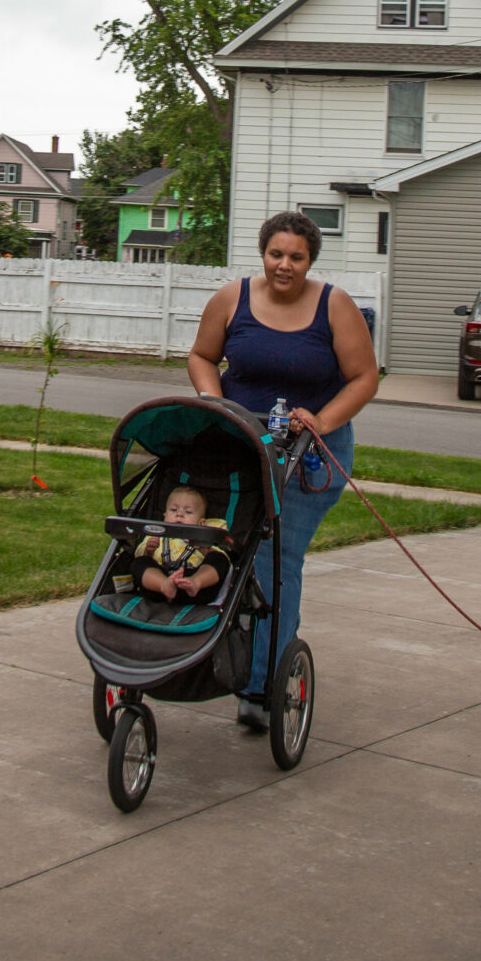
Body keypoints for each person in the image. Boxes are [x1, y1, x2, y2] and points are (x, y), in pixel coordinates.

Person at [186, 209, 380, 731]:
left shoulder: (334, 306)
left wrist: (322, 420)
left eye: (296, 256)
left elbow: (364, 377)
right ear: (263, 253)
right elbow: (203, 357)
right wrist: (214, 401)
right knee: (219, 549)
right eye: (276, 254)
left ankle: (261, 684)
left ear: (310, 259)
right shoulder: (233, 299)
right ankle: (205, 650)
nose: (284, 265)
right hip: (243, 444)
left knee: (275, 559)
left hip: (310, 456)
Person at [132, 484, 226, 602]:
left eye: (188, 512)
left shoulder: (204, 537)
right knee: (140, 562)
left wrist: (206, 550)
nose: (180, 514)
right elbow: (139, 553)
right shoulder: (157, 534)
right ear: (165, 517)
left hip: (194, 583)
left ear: (201, 523)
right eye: (173, 510)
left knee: (219, 559)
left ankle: (195, 583)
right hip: (159, 583)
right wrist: (148, 550)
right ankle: (165, 585)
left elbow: (223, 558)